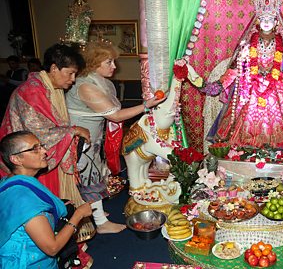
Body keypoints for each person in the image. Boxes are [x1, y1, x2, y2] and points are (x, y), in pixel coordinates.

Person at [66, 41, 163, 234]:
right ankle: (101, 223)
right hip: (80, 142)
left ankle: (94, 210)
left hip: (93, 138)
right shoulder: (86, 86)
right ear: (94, 64)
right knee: (89, 177)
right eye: (109, 62)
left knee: (96, 174)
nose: (114, 66)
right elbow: (115, 115)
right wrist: (147, 105)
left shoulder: (100, 82)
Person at [199, 0, 283, 148]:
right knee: (244, 125)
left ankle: (273, 155)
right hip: (250, 91)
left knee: (278, 125)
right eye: (263, 19)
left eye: (270, 19)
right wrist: (218, 85)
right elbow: (233, 70)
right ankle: (245, 153)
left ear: (276, 22)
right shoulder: (247, 46)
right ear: (258, 20)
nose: (266, 22)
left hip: (276, 92)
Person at [0, 44, 90, 201]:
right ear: (54, 68)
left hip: (37, 155)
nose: (73, 79)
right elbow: (39, 134)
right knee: (39, 203)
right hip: (25, 159)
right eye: (70, 73)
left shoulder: (48, 87)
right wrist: (73, 130)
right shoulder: (32, 92)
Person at [0, 131, 92, 268]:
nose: (45, 151)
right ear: (16, 159)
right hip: (27, 262)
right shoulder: (23, 199)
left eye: (41, 146)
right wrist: (78, 215)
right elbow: (52, 248)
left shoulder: (11, 180)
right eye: (35, 149)